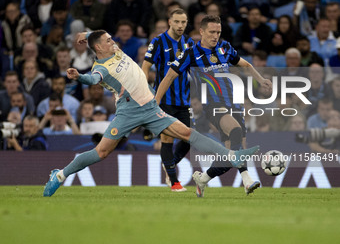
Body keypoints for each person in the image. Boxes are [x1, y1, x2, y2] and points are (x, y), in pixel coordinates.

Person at [43, 29, 260, 197]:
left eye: (111, 38)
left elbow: (97, 38)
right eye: (108, 40)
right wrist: (79, 76)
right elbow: (92, 80)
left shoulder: (115, 49)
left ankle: (231, 156)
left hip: (150, 108)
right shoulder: (100, 68)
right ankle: (60, 174)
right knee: (101, 152)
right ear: (99, 48)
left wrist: (86, 35)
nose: (113, 41)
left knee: (186, 132)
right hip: (128, 111)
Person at [154, 15, 272, 197]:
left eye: (218, 32)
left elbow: (245, 64)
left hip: (234, 104)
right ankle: (247, 180)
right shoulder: (190, 54)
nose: (215, 36)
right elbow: (169, 77)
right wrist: (155, 102)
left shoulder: (225, 48)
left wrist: (261, 79)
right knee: (235, 132)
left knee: (230, 155)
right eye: (212, 32)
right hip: (213, 106)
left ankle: (203, 179)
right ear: (201, 31)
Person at [142, 8, 194, 191]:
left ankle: (169, 164)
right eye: (177, 22)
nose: (180, 25)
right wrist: (144, 90)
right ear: (170, 22)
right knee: (167, 139)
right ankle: (174, 182)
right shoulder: (158, 42)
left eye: (184, 22)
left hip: (184, 100)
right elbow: (146, 66)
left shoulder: (189, 42)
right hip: (163, 99)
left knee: (189, 139)